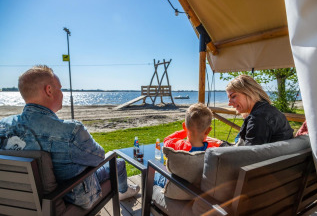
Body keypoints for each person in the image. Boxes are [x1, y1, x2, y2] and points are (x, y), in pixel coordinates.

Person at [0, 65, 139, 209]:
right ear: (49, 90)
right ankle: (124, 191)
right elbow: (99, 157)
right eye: (60, 89)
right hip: (73, 198)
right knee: (117, 162)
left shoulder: (3, 126)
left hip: (21, 203)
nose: (62, 94)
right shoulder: (70, 131)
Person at [154, 103, 221, 187]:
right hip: (196, 189)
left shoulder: (177, 145)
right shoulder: (212, 150)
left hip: (175, 187)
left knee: (154, 175)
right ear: (208, 130)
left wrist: (186, 131)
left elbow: (166, 140)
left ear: (184, 126)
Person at [221, 74, 294, 146]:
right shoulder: (270, 111)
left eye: (233, 96)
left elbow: (249, 155)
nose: (229, 104)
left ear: (249, 92)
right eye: (229, 98)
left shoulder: (258, 118)